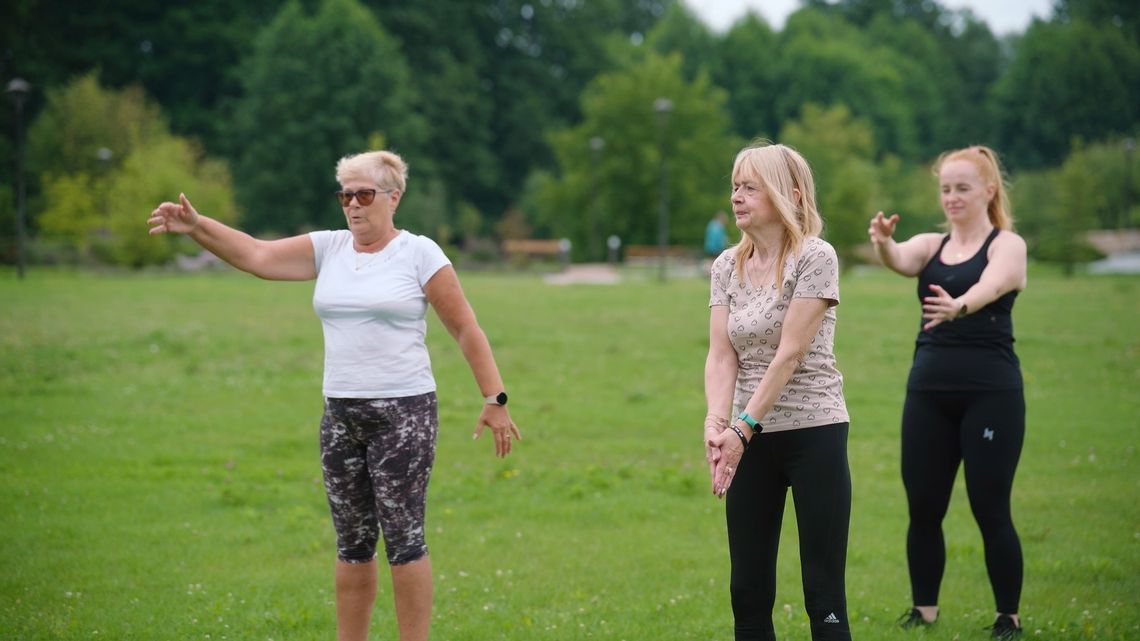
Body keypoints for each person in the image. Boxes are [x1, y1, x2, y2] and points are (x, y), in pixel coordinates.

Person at [147, 150, 522, 641]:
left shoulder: (419, 253)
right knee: (352, 544)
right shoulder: (330, 248)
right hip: (340, 414)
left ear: (394, 197)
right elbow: (257, 256)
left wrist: (494, 399)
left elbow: (465, 327)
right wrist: (198, 226)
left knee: (405, 541)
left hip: (403, 414)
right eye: (345, 195)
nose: (353, 206)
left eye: (364, 195)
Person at [868, 145, 1027, 640]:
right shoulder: (931, 245)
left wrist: (960, 304)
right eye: (945, 189)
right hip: (928, 392)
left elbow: (997, 283)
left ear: (988, 190)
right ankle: (924, 611)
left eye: (962, 188)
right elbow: (898, 260)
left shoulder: (1007, 244)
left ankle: (1008, 617)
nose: (952, 197)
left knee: (990, 505)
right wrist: (882, 242)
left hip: (990, 393)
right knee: (924, 505)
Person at [704, 141, 852, 641]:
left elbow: (790, 352)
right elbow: (722, 354)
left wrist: (742, 427)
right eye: (735, 187)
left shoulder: (815, 256)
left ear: (788, 195)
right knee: (746, 590)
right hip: (748, 440)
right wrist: (716, 423)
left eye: (750, 187)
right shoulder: (726, 265)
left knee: (823, 592)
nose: (737, 197)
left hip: (815, 432)